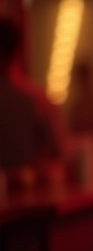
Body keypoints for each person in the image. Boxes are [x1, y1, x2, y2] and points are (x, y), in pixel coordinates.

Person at [0, 17, 64, 172]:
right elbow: (58, 149)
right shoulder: (35, 99)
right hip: (30, 189)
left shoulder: (34, 99)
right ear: (17, 52)